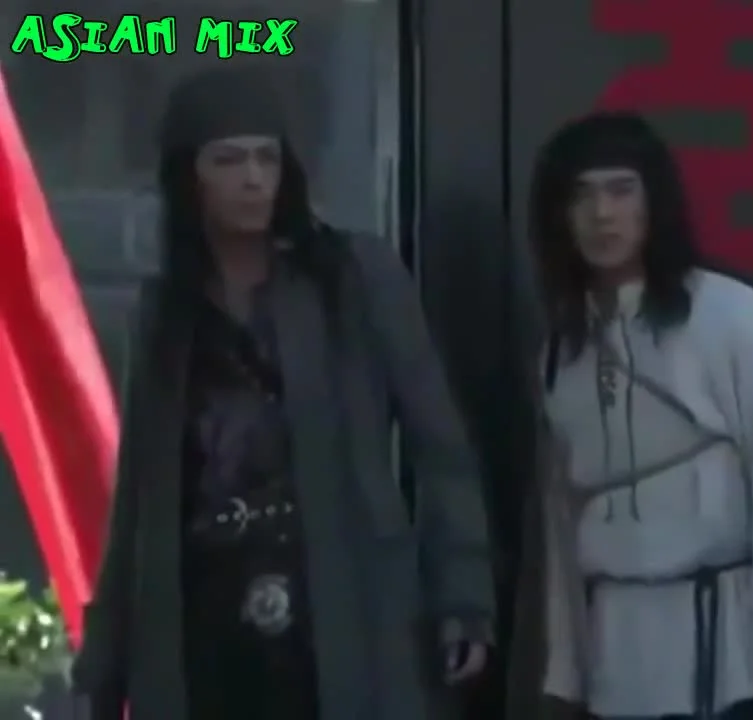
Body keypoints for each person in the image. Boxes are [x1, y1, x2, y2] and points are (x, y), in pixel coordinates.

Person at [70, 65, 495, 719]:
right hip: (205, 611)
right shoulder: (167, 312)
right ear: (190, 177)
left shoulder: (352, 277)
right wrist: (104, 661)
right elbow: (139, 501)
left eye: (266, 158)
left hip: (342, 602)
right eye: (229, 160)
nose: (252, 179)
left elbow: (440, 446)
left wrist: (462, 594)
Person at [507, 111, 753, 720]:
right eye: (581, 196)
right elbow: (562, 528)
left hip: (723, 652)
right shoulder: (562, 351)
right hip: (615, 657)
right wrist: (565, 675)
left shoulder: (728, 314)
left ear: (652, 202)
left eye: (621, 190)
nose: (602, 214)